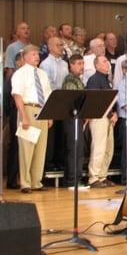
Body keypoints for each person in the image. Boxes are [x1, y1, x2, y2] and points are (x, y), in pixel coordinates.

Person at [11, 44, 52, 193]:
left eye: (37, 54)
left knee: (40, 148)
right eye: (33, 54)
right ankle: (25, 183)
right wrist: (24, 117)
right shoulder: (21, 73)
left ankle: (36, 181)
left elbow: (47, 95)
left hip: (42, 110)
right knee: (27, 148)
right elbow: (17, 95)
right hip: (28, 108)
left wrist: (49, 115)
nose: (37, 56)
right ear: (25, 56)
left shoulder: (42, 73)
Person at [86, 55, 118, 188]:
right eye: (104, 61)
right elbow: (97, 100)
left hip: (109, 118)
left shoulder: (107, 80)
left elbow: (110, 99)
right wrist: (111, 114)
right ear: (96, 65)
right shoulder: (94, 80)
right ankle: (93, 178)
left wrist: (114, 112)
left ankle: (102, 175)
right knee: (99, 147)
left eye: (107, 61)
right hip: (99, 117)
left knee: (108, 148)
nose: (107, 64)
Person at [40, 36, 69, 172]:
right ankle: (49, 166)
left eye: (62, 45)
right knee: (51, 136)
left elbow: (67, 81)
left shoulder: (64, 64)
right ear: (50, 47)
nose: (61, 47)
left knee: (62, 134)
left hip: (64, 102)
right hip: (52, 101)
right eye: (58, 45)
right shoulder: (45, 64)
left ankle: (60, 163)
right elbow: (48, 84)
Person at [61, 54, 87, 188]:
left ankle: (77, 178)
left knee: (79, 149)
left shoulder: (78, 80)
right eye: (78, 63)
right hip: (72, 118)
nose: (81, 66)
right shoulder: (70, 80)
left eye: (82, 63)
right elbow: (72, 100)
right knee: (74, 149)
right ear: (71, 65)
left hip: (78, 118)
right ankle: (73, 180)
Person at [4, 52, 23, 189]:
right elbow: (7, 96)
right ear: (18, 62)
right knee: (15, 145)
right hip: (15, 111)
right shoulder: (14, 75)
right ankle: (12, 179)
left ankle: (21, 177)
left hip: (22, 110)